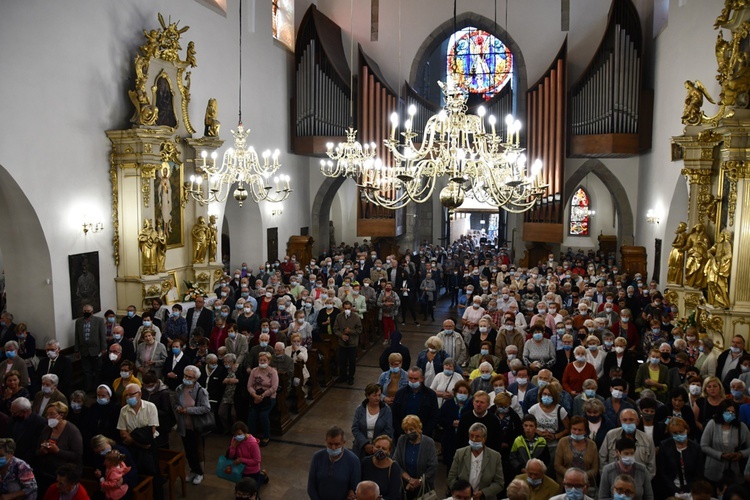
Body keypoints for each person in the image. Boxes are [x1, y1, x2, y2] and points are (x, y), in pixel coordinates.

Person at [116, 383, 161, 499]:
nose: (129, 397)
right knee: (135, 474)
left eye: (132, 394)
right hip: (133, 447)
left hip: (150, 447)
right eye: (127, 395)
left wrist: (135, 436)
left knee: (153, 474)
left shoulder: (150, 407)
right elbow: (123, 432)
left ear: (139, 394)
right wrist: (137, 441)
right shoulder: (124, 411)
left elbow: (151, 430)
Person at [447, 422, 505, 500]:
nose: (474, 439)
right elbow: (451, 478)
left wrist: (483, 493)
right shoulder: (460, 453)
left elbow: (499, 483)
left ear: (484, 438)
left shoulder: (495, 456)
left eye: (477, 437)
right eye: (471, 436)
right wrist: (462, 493)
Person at [36, 402, 83, 494]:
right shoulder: (47, 429)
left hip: (64, 475)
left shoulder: (72, 431)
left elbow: (77, 455)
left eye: (51, 414)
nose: (48, 417)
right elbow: (37, 450)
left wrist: (58, 451)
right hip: (46, 472)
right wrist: (42, 451)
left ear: (61, 415)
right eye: (47, 414)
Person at [700, 399, 750, 486]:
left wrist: (741, 454)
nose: (730, 414)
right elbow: (704, 445)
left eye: (733, 412)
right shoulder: (712, 424)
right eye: (727, 411)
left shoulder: (742, 427)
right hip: (713, 470)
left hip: (735, 471)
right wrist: (720, 455)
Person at [654, 416, 704, 497]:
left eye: (681, 432)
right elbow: (662, 471)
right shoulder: (664, 446)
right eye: (675, 433)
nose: (678, 435)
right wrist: (674, 489)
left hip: (691, 489)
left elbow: (699, 473)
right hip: (670, 489)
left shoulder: (695, 448)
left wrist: (687, 489)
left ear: (686, 430)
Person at [599, 408, 656, 479]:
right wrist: (609, 479)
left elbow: (651, 466)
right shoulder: (611, 435)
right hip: (613, 482)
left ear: (637, 421)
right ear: (620, 421)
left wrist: (641, 482)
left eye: (631, 420)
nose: (628, 423)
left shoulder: (647, 439)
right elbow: (602, 460)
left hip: (638, 482)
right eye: (625, 420)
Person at [307, 426, 361, 500]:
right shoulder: (317, 457)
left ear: (343, 443)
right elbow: (311, 486)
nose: (333, 448)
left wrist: (351, 493)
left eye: (337, 444)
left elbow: (355, 487)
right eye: (330, 444)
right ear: (325, 441)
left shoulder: (353, 461)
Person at [393, 415, 437, 499]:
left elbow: (433, 466)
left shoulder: (429, 442)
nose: (408, 433)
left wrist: (418, 482)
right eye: (406, 430)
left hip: (424, 488)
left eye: (411, 429)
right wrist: (409, 479)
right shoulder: (402, 440)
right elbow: (396, 462)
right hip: (404, 486)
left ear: (418, 428)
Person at [554, 416, 599, 493]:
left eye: (580, 430)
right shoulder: (563, 442)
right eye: (574, 429)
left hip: (585, 486)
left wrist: (582, 476)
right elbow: (557, 465)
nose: (577, 432)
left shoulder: (592, 445)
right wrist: (571, 476)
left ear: (585, 431)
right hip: (566, 486)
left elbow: (595, 469)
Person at [391, 367, 439, 438]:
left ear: (422, 379)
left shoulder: (430, 395)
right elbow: (394, 415)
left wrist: (423, 432)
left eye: (415, 379)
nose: (413, 381)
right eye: (410, 378)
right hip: (402, 434)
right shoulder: (400, 393)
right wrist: (401, 431)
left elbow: (434, 416)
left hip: (423, 435)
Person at [351, 383, 394, 459]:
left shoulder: (386, 410)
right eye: (374, 395)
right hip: (361, 448)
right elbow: (355, 428)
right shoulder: (359, 409)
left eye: (379, 395)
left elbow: (388, 430)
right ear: (367, 396)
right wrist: (365, 444)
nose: (377, 398)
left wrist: (375, 445)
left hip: (379, 449)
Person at [439, 380, 472, 471]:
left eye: (465, 392)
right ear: (455, 392)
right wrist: (451, 423)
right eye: (460, 392)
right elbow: (440, 418)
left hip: (465, 440)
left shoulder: (471, 406)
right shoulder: (448, 404)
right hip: (449, 438)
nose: (462, 394)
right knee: (450, 465)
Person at [247, 352, 278, 447]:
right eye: (260, 360)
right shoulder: (254, 371)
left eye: (264, 360)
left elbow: (274, 387)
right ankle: (251, 436)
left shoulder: (273, 372)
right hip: (256, 395)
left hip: (268, 397)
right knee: (252, 414)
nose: (262, 362)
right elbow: (249, 385)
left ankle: (266, 436)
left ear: (269, 361)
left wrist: (263, 395)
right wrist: (254, 395)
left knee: (263, 415)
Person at [74, 304, 107, 393]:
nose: (86, 313)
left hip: (96, 350)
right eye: (85, 311)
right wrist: (76, 350)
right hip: (84, 350)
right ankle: (87, 389)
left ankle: (97, 389)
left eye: (88, 311)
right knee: (86, 371)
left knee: (97, 371)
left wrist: (104, 348)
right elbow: (77, 336)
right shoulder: (79, 322)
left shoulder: (99, 321)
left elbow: (102, 336)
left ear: (92, 312)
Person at [359, 435, 402, 500]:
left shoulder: (394, 468)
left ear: (389, 451)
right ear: (373, 447)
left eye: (384, 448)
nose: (380, 450)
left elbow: (394, 495)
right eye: (377, 447)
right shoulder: (365, 462)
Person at [226, 421, 268, 486]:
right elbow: (231, 456)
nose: (237, 436)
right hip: (240, 469)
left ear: (245, 432)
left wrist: (241, 460)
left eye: (239, 434)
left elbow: (257, 460)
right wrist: (233, 446)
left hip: (252, 470)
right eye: (235, 435)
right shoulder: (235, 440)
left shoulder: (253, 444)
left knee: (252, 490)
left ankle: (262, 475)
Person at [9, 397, 47, 466]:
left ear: (24, 411)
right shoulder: (15, 420)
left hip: (28, 463)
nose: (12, 415)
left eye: (14, 413)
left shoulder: (41, 423)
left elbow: (35, 447)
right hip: (13, 458)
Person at [334, 301, 362, 385]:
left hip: (352, 343)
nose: (347, 310)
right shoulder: (339, 317)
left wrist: (350, 331)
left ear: (351, 308)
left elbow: (359, 330)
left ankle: (350, 377)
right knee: (342, 360)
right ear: (343, 308)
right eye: (345, 308)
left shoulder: (356, 317)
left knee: (352, 361)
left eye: (348, 308)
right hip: (342, 343)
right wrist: (341, 335)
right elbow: (335, 329)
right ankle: (342, 376)